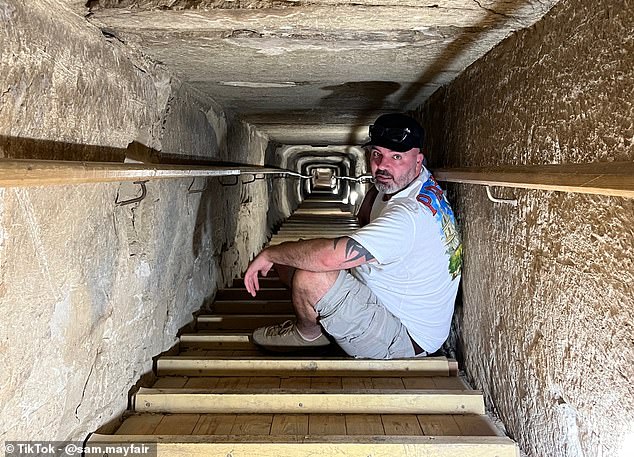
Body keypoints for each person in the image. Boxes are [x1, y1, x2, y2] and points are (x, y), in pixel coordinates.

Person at [243, 113, 463, 359]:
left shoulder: (408, 216)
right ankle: (332, 320)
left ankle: (309, 334)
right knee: (293, 255)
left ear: (418, 159)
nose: (382, 165)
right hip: (383, 296)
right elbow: (365, 218)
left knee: (309, 276)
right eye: (377, 154)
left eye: (396, 156)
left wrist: (269, 252)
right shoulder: (413, 182)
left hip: (403, 338)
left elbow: (327, 259)